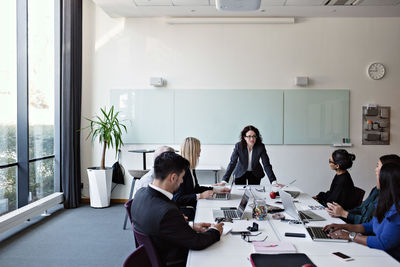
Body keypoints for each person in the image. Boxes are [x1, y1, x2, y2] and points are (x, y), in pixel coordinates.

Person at [131, 152, 223, 267]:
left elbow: (159, 227)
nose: (182, 182)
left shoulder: (140, 194)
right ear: (173, 177)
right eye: (181, 178)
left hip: (154, 255)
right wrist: (215, 231)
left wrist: (187, 225)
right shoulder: (167, 211)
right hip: (173, 259)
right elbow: (197, 242)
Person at [323, 162, 400, 262]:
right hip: (378, 253)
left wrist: (350, 236)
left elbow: (383, 242)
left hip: (390, 260)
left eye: (378, 175)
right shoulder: (385, 201)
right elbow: (370, 225)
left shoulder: (396, 209)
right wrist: (343, 226)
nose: (376, 175)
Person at [326, 154, 400, 224]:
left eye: (378, 166)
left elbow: (369, 224)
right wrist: (340, 212)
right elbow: (361, 209)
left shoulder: (391, 199)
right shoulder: (376, 189)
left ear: (387, 172)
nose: (375, 170)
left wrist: (344, 214)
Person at [173, 137, 230, 219]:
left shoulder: (190, 168)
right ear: (193, 151)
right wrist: (200, 196)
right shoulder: (182, 170)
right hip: (186, 211)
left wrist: (215, 190)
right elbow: (178, 199)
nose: (200, 151)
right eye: (199, 149)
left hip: (193, 206)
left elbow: (196, 188)